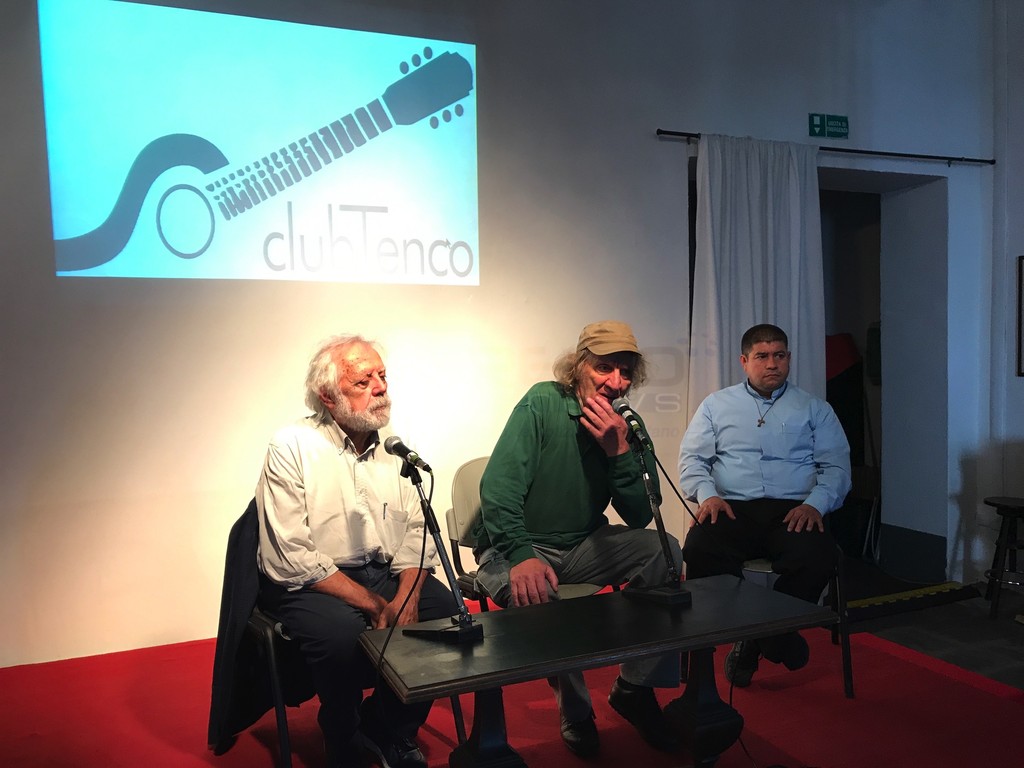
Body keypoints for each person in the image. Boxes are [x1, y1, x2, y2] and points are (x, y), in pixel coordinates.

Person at [472, 320, 684, 757]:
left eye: (625, 372)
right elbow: (498, 487)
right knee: (542, 598)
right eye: (604, 368)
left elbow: (641, 514)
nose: (616, 382)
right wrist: (521, 554)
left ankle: (635, 688)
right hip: (516, 547)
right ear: (578, 366)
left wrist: (618, 452)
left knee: (664, 552)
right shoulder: (543, 402)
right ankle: (576, 710)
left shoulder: (626, 424)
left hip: (582, 545)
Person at [254, 334, 458, 768]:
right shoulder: (292, 446)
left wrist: (405, 597)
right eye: (363, 382)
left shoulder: (395, 450)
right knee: (343, 639)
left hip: (384, 571)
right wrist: (375, 604)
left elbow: (418, 531)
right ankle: (342, 732)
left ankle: (388, 726)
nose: (380, 388)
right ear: (328, 396)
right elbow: (291, 554)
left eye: (382, 376)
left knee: (448, 620)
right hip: (315, 582)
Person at [678, 323, 851, 687]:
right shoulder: (716, 405)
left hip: (793, 511)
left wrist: (816, 505)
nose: (772, 364)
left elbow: (837, 467)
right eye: (762, 356)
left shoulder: (814, 408)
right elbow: (693, 460)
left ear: (789, 358)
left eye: (779, 355)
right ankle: (769, 632)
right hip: (732, 508)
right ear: (744, 361)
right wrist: (707, 495)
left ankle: (759, 638)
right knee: (699, 548)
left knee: (820, 555)